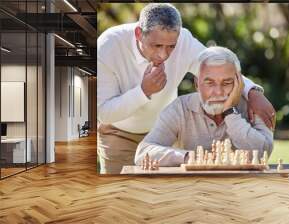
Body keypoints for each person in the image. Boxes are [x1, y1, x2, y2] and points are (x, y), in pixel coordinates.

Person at [97, 3, 275, 174]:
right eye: (157, 45)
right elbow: (104, 113)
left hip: (166, 132)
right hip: (118, 133)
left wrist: (252, 91)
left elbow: (215, 66)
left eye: (171, 47)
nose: (164, 55)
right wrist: (144, 91)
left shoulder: (183, 39)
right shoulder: (108, 46)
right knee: (120, 197)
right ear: (138, 33)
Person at [135, 46, 273, 166]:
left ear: (239, 83)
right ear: (197, 84)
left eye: (226, 83)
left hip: (242, 190)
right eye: (210, 83)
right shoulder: (180, 108)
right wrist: (190, 157)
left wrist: (230, 112)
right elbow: (143, 152)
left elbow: (262, 153)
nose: (218, 92)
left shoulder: (253, 105)